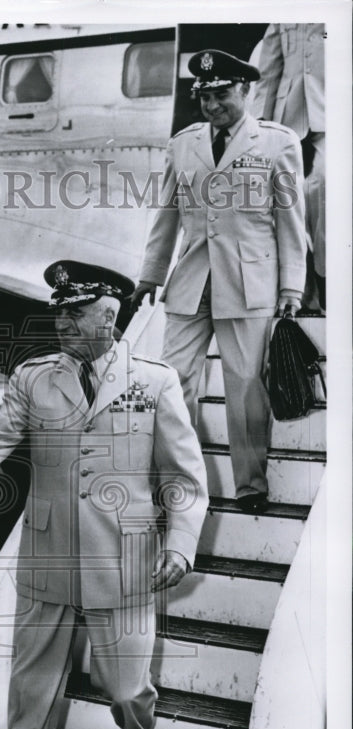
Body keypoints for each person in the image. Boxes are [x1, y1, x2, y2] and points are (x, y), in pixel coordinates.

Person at [0, 261, 208, 729]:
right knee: (29, 705)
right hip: (45, 568)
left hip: (123, 569)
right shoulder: (34, 378)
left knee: (128, 691)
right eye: (59, 311)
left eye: (75, 312)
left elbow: (183, 476)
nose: (62, 321)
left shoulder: (153, 382)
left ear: (108, 315)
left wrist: (180, 544)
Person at [131, 49, 306, 514]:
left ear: (245, 90)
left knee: (246, 388)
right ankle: (182, 488)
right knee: (173, 384)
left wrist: (292, 288)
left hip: (250, 283)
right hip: (191, 280)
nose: (212, 106)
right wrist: (151, 274)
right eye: (204, 96)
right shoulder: (183, 144)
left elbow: (291, 221)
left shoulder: (277, 143)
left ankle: (250, 485)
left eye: (221, 94)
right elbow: (166, 216)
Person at [251, 24, 325, 311]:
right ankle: (304, 293)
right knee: (286, 203)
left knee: (322, 184)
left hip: (333, 113)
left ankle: (326, 278)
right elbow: (267, 74)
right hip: (289, 118)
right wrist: (257, 127)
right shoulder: (281, 17)